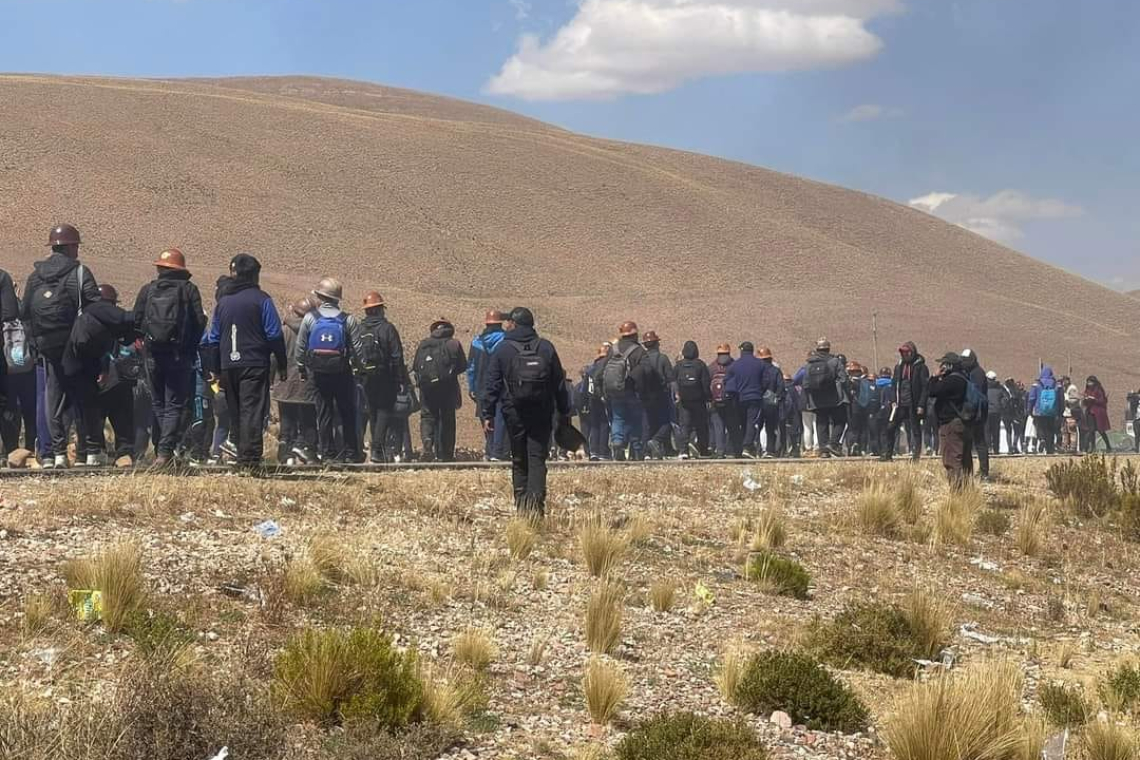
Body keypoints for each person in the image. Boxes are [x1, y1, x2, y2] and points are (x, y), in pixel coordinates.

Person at [21, 224, 102, 468]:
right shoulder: (79, 273)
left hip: (48, 346)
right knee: (84, 398)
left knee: (53, 400)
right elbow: (95, 307)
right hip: (76, 347)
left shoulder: (36, 276)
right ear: (68, 246)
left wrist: (36, 342)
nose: (77, 250)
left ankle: (55, 455)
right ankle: (89, 453)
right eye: (76, 245)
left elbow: (25, 312)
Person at [200, 254, 287, 468]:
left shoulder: (223, 303)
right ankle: (249, 459)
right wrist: (282, 364)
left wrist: (214, 369)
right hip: (255, 363)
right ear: (256, 275)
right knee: (252, 410)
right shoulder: (262, 300)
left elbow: (213, 338)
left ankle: (240, 454)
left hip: (228, 366)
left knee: (236, 410)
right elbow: (274, 334)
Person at [482, 307, 570, 516]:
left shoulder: (503, 349)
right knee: (537, 457)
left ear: (514, 324)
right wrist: (564, 411)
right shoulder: (546, 347)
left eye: (508, 322)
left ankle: (522, 506)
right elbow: (559, 383)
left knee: (519, 457)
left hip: (514, 412)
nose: (506, 325)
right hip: (541, 410)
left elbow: (492, 383)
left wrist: (488, 413)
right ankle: (536, 506)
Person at [131, 249, 206, 467]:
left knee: (159, 403)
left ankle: (163, 451)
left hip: (153, 355)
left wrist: (145, 342)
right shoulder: (189, 290)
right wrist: (189, 348)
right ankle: (165, 453)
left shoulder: (148, 290)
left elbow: (136, 321)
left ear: (160, 268)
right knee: (174, 404)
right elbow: (199, 322)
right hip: (178, 356)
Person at [61, 283, 137, 466]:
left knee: (90, 416)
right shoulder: (115, 322)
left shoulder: (86, 319)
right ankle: (123, 454)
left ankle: (90, 453)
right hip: (116, 379)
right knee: (122, 416)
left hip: (92, 377)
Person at [295, 278, 365, 463]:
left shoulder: (311, 318)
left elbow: (300, 347)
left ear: (321, 297)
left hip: (318, 373)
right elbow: (358, 349)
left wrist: (302, 367)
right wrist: (361, 369)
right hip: (342, 372)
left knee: (324, 413)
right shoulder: (347, 319)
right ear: (337, 299)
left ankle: (327, 454)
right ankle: (351, 454)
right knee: (347, 412)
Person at [358, 291, 409, 464]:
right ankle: (377, 449)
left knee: (372, 412)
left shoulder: (360, 328)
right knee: (384, 411)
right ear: (380, 309)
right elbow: (397, 356)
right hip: (385, 376)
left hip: (366, 377)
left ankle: (376, 450)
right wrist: (400, 379)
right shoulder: (388, 328)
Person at [413, 317, 466, 462]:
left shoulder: (424, 344)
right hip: (448, 388)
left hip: (427, 388)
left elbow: (416, 366)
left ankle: (428, 444)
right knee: (447, 419)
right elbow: (463, 366)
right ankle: (446, 454)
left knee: (428, 416)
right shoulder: (454, 344)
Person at [273, 297, 318, 464]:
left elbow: (274, 357)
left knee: (287, 420)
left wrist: (272, 379)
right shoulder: (315, 331)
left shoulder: (283, 331)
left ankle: (285, 455)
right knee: (309, 421)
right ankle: (310, 453)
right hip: (308, 383)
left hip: (285, 383)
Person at [602, 321, 648, 461]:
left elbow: (603, 369)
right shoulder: (639, 351)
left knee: (618, 418)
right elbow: (646, 370)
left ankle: (617, 443)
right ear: (634, 334)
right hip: (632, 391)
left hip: (614, 391)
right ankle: (636, 449)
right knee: (635, 419)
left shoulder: (613, 349)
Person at [798, 338, 849, 458]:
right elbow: (843, 379)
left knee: (821, 423)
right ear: (828, 348)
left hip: (817, 399)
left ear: (817, 349)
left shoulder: (809, 364)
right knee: (840, 421)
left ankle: (823, 450)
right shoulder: (835, 361)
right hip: (835, 398)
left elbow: (805, 384)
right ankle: (833, 443)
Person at [1, 291, 37, 458]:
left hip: (6, 370)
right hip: (28, 368)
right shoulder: (25, 312)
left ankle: (11, 449)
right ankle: (31, 447)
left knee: (9, 410)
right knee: (30, 409)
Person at [927, 352, 971, 488]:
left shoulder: (952, 381)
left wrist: (935, 376)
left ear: (949, 365)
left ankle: (957, 493)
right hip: (962, 423)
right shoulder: (964, 378)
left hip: (951, 423)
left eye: (943, 364)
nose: (941, 366)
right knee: (963, 458)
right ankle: (967, 490)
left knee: (952, 458)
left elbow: (932, 391)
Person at [468, 310, 508, 461]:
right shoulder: (505, 340)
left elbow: (471, 367)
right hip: (500, 385)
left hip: (481, 385)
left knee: (485, 416)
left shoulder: (476, 341)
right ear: (500, 323)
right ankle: (498, 451)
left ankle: (490, 448)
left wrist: (471, 387)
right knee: (500, 416)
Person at [724, 342, 775, 458]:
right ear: (752, 350)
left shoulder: (735, 365)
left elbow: (727, 381)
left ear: (742, 351)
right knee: (752, 422)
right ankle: (747, 447)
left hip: (739, 399)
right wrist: (761, 390)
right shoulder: (760, 364)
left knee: (743, 423)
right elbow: (767, 381)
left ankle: (741, 448)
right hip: (755, 398)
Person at [883, 342, 929, 462]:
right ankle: (888, 454)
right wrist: (893, 400)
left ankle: (916, 457)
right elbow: (893, 385)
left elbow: (925, 388)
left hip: (914, 404)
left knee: (915, 430)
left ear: (912, 352)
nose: (904, 355)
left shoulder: (921, 367)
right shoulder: (899, 367)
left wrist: (921, 404)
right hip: (900, 404)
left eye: (906, 352)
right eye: (902, 352)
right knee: (890, 427)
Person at [640, 330, 675, 459]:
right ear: (656, 344)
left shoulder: (641, 360)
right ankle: (656, 441)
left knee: (647, 424)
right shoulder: (663, 358)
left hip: (644, 397)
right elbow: (671, 379)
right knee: (666, 422)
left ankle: (646, 452)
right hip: (661, 396)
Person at [673, 340, 711, 459]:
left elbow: (673, 381)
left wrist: (677, 395)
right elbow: (705, 383)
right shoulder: (700, 364)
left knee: (685, 425)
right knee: (701, 426)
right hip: (699, 400)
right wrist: (708, 398)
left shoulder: (679, 365)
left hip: (684, 401)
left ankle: (684, 450)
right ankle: (703, 450)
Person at [959, 349, 990, 479]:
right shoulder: (969, 372)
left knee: (979, 442)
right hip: (971, 411)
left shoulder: (977, 374)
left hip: (976, 412)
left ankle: (984, 472)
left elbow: (976, 395)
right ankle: (969, 471)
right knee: (968, 443)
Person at [707, 343, 736, 458]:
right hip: (731, 402)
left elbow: (706, 384)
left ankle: (720, 451)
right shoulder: (734, 366)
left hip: (715, 402)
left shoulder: (711, 367)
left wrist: (709, 399)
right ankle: (732, 450)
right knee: (732, 426)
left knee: (718, 427)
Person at [583, 344, 611, 461]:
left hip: (591, 399)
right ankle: (603, 451)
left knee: (594, 426)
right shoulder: (605, 366)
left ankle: (593, 451)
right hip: (602, 398)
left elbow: (584, 388)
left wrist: (585, 402)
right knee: (604, 425)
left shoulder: (590, 368)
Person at [1027, 365, 1062, 456]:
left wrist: (1029, 410)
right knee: (1050, 430)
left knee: (1040, 427)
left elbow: (1031, 398)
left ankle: (1041, 439)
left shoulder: (1037, 385)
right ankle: (1050, 449)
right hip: (1053, 411)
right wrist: (1060, 412)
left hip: (1039, 411)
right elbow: (1061, 400)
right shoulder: (1057, 385)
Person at [846, 362, 876, 456]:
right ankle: (862, 448)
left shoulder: (850, 382)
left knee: (853, 429)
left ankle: (853, 445)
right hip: (865, 408)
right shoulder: (867, 382)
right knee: (864, 428)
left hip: (854, 408)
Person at [1082, 376, 1112, 453]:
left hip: (1098, 413)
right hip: (1090, 412)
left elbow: (1102, 401)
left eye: (1090, 382)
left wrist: (1094, 399)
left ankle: (1108, 446)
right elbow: (1085, 402)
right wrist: (1085, 399)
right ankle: (1091, 447)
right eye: (1088, 382)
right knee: (1091, 431)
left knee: (1101, 430)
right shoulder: (1087, 390)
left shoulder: (1099, 390)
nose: (1089, 384)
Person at [985, 371, 1009, 455]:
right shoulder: (1000, 387)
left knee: (987, 431)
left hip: (987, 412)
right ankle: (996, 449)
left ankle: (988, 448)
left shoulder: (983, 387)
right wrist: (1001, 406)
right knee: (996, 431)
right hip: (997, 412)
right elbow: (1006, 398)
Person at [873, 366, 894, 457]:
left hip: (877, 410)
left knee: (877, 432)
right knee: (889, 432)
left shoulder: (875, 384)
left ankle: (878, 450)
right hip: (891, 410)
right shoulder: (893, 384)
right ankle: (888, 449)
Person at [1003, 378, 1025, 454]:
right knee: (1017, 431)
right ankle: (1014, 445)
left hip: (1006, 414)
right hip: (1016, 414)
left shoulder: (1003, 391)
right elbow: (1021, 403)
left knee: (1008, 431)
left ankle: (1010, 448)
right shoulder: (1017, 391)